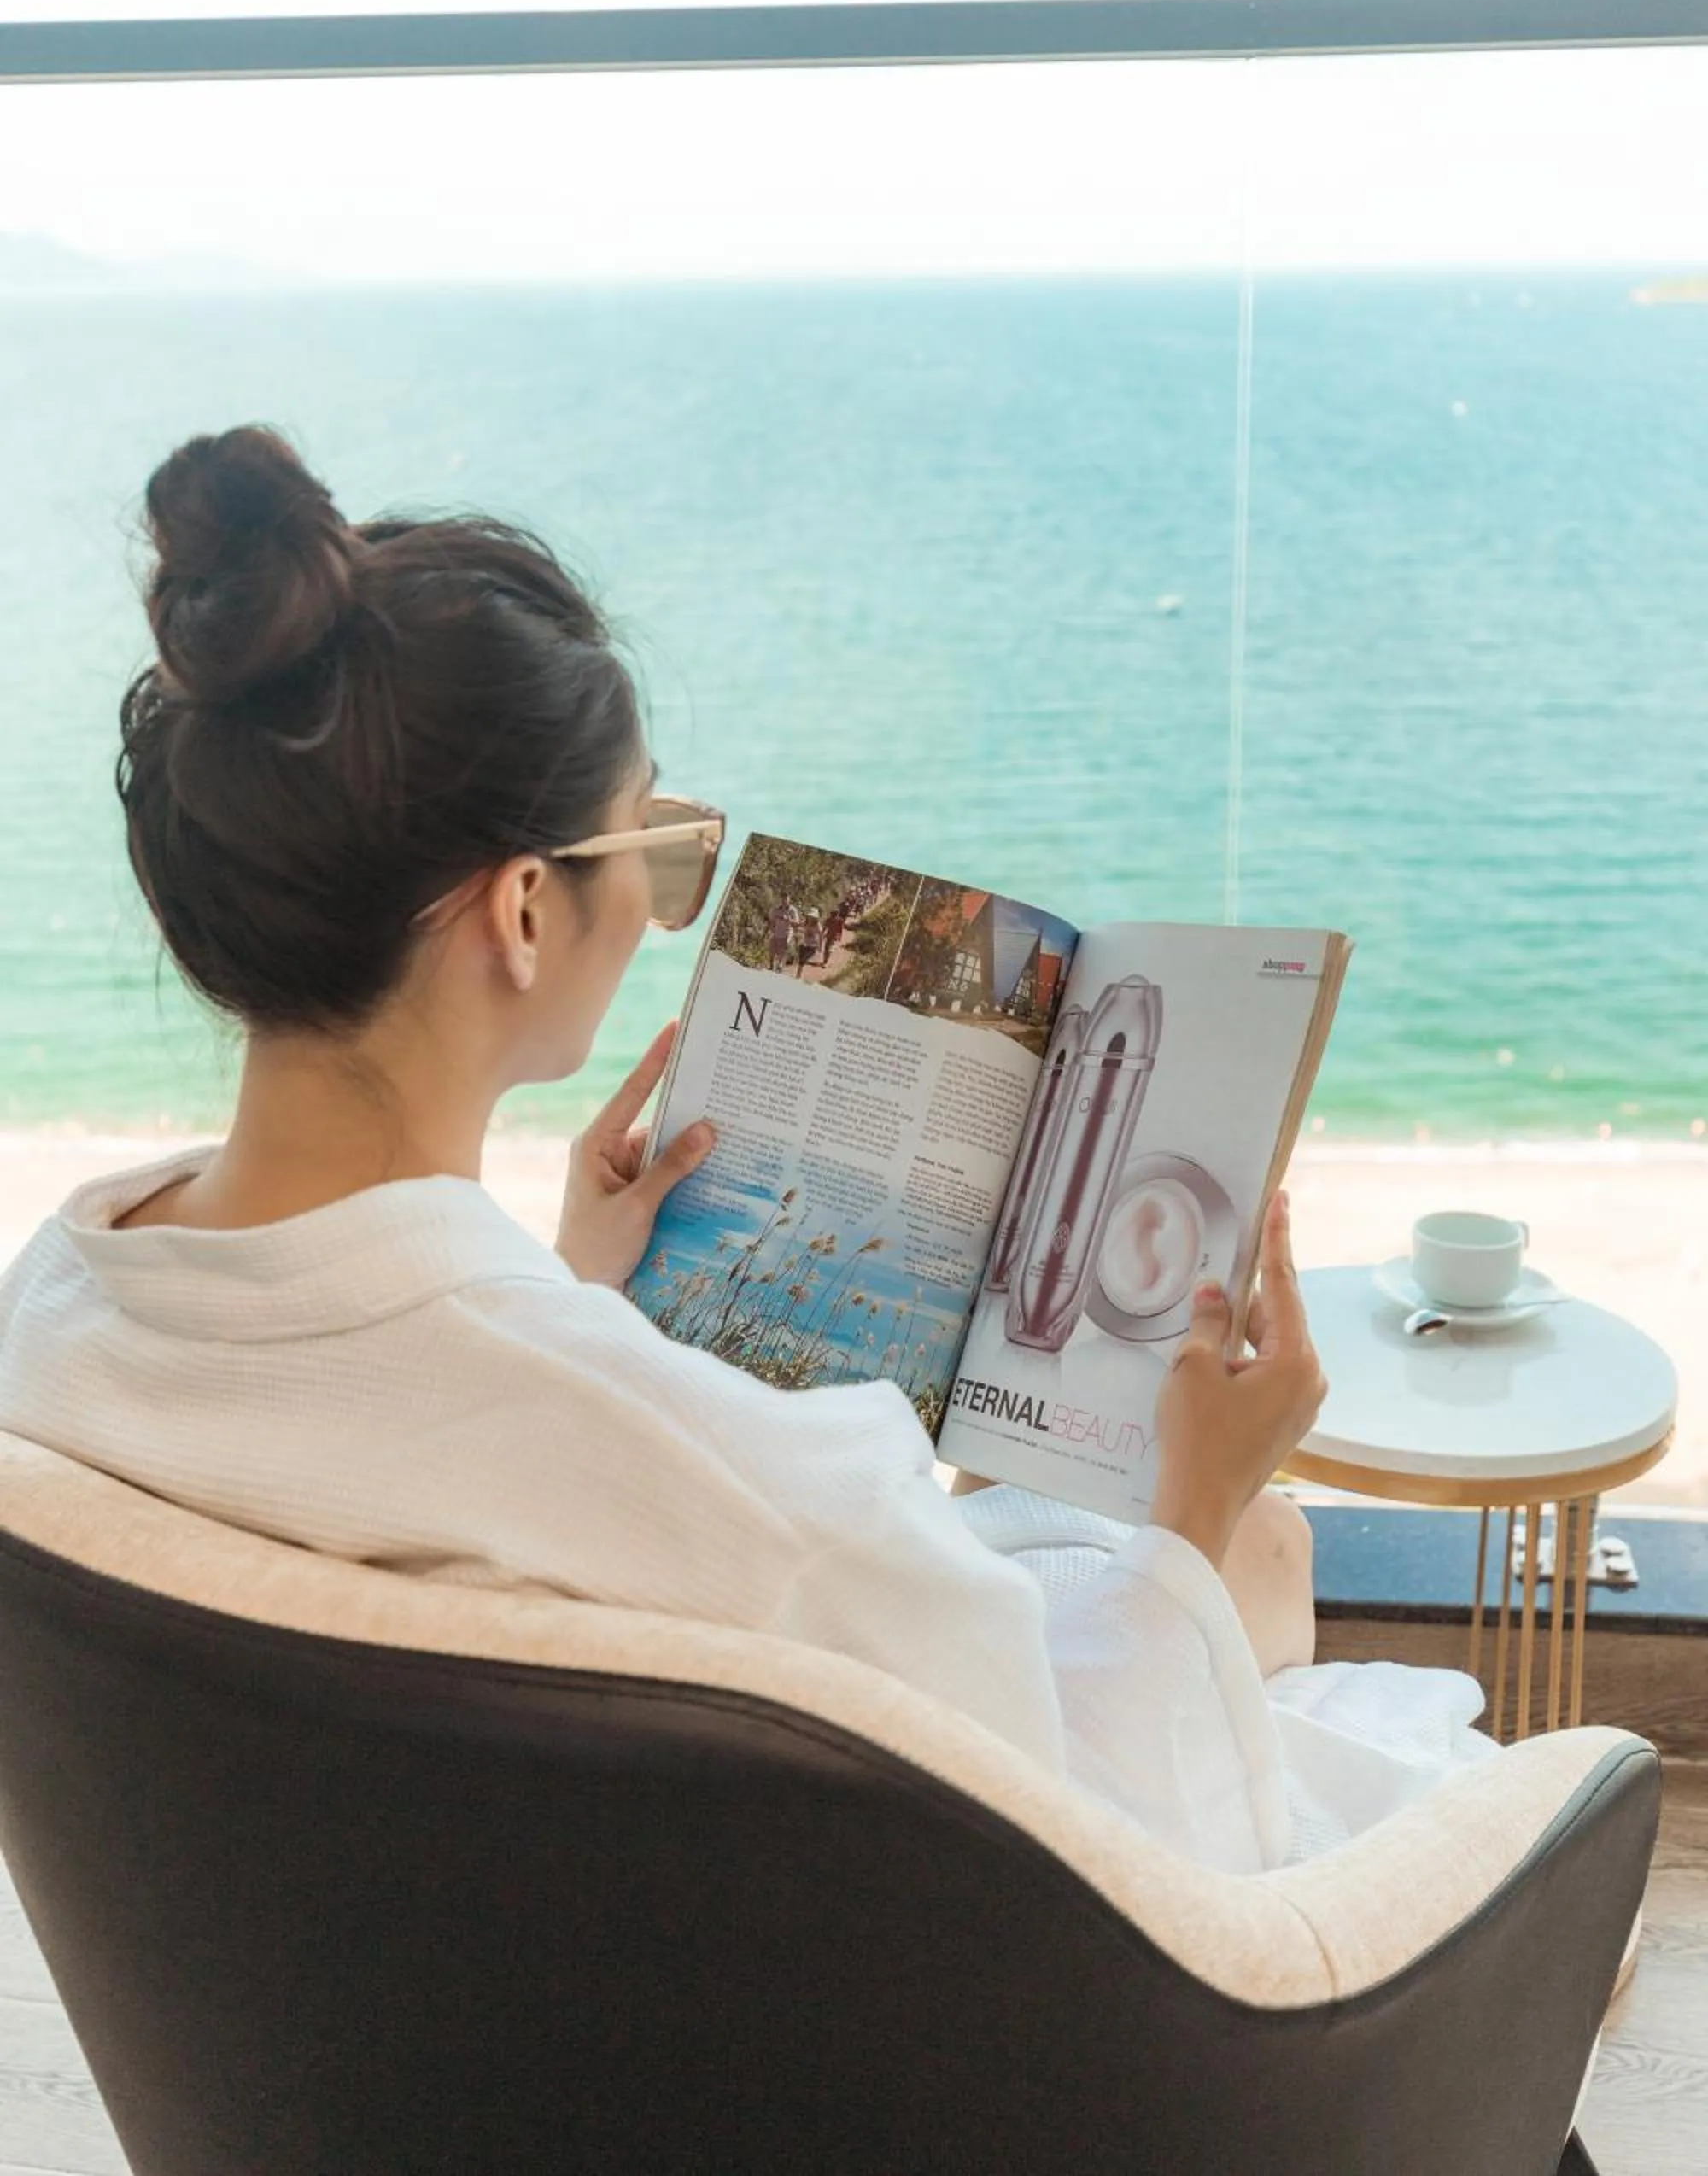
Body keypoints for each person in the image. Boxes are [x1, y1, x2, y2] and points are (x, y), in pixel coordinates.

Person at [0, 426, 1496, 1876]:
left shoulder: (53, 1315)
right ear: (523, 913)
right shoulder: (771, 1499)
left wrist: (575, 1295)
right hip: (898, 2016)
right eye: (649, 848)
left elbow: (407, 1416)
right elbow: (1084, 1843)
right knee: (1271, 1577)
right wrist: (1195, 1504)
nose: (666, 897)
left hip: (347, 2008)